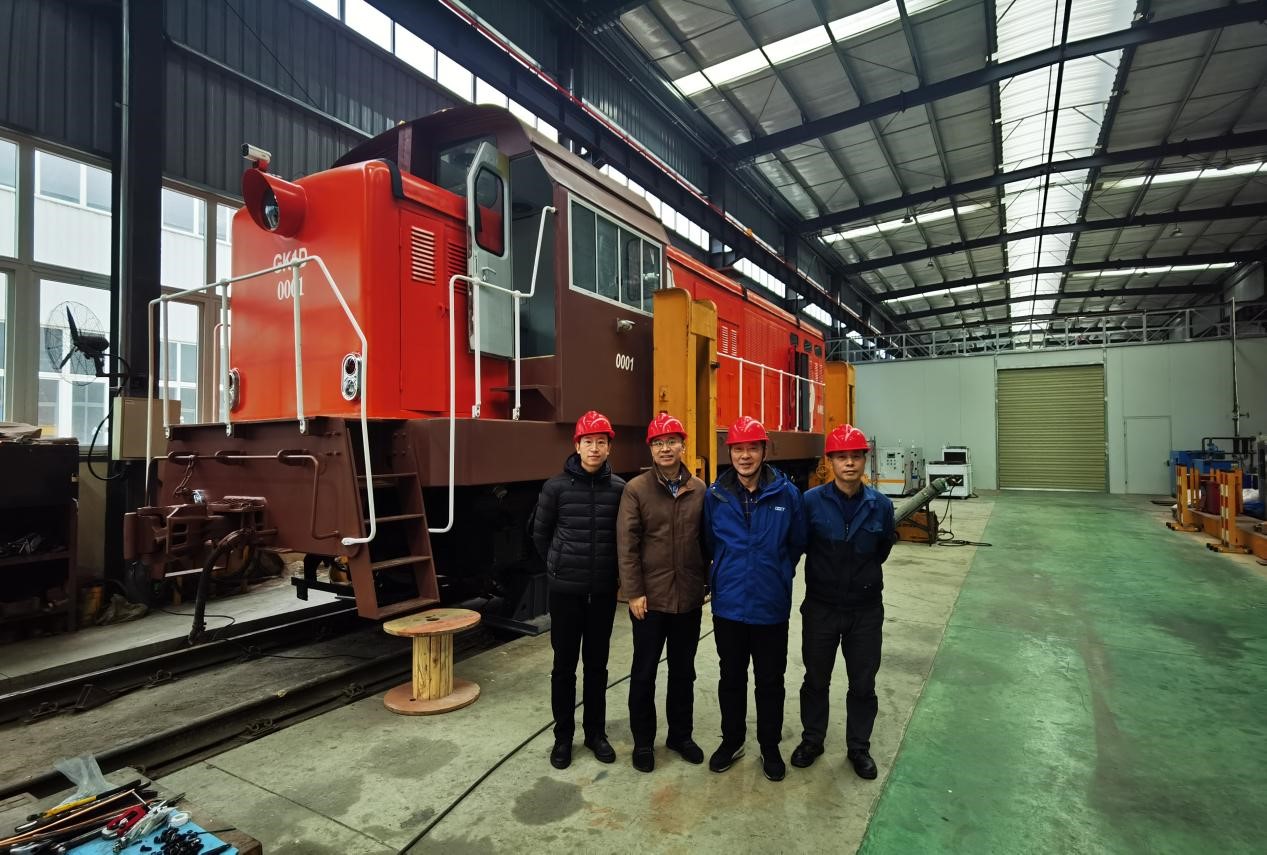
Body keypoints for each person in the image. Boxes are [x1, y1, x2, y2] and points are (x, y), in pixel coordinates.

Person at [702, 416, 806, 782]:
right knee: (731, 677)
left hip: (770, 604)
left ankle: (769, 745)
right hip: (729, 605)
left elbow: (797, 544)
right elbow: (709, 543)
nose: (745, 456)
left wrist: (777, 572)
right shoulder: (715, 496)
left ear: (764, 451)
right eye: (738, 449)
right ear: (729, 452)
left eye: (752, 448)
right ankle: (732, 741)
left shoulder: (787, 495)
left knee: (770, 680)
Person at [791, 424, 897, 780]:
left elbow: (882, 549)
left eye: (855, 456)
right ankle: (812, 740)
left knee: (863, 683)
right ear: (830, 462)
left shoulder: (881, 506)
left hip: (865, 611)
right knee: (815, 679)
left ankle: (858, 748)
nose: (849, 463)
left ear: (864, 460)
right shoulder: (810, 502)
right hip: (821, 608)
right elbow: (799, 545)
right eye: (841, 457)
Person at [532, 410, 627, 769]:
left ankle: (595, 734)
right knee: (564, 667)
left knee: (597, 666)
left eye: (601, 442)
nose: (594, 448)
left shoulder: (619, 489)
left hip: (601, 592)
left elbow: (624, 539)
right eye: (588, 441)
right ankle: (563, 738)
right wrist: (558, 566)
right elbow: (540, 534)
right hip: (566, 593)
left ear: (608, 447)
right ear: (577, 445)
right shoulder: (555, 488)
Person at [617, 413, 708, 773]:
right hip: (649, 601)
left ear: (683, 445)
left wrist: (706, 584)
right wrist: (634, 592)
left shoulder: (699, 489)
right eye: (658, 443)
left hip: (687, 598)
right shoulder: (636, 489)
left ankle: (680, 736)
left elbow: (708, 541)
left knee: (684, 673)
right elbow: (627, 546)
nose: (665, 448)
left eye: (671, 441)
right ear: (651, 449)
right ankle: (643, 742)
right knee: (644, 673)